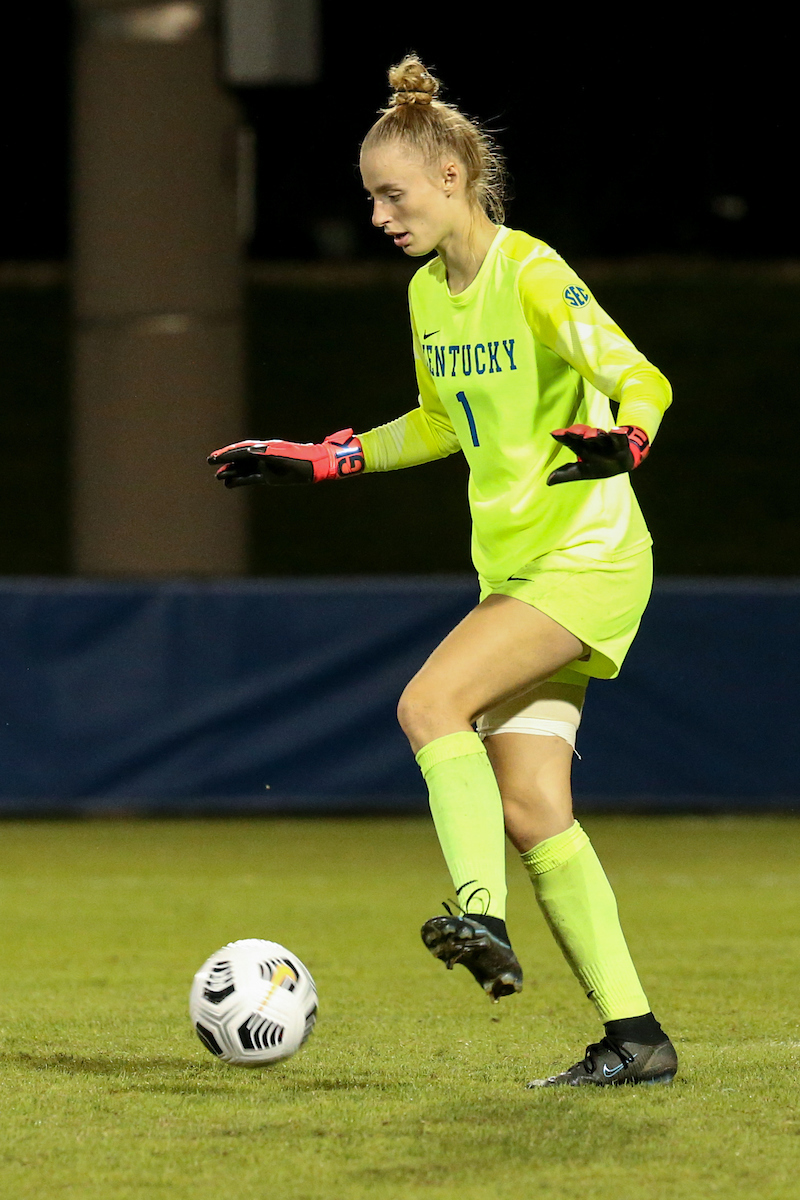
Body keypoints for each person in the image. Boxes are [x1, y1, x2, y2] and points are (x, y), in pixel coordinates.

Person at [208, 55, 677, 1088]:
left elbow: (639, 377)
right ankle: (633, 1038)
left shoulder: (532, 273)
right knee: (533, 811)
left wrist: (626, 441)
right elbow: (435, 422)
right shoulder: (429, 295)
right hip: (517, 569)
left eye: (391, 193)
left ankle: (476, 914)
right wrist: (320, 457)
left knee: (429, 705)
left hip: (584, 558)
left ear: (452, 178)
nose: (377, 215)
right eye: (370, 197)